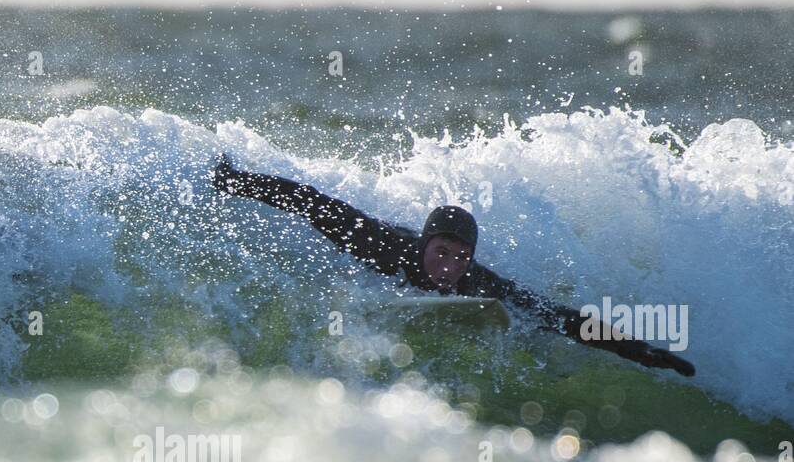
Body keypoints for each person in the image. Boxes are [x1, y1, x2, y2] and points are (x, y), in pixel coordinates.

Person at [212, 155, 695, 376]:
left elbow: (568, 320)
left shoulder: (477, 281)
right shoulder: (380, 247)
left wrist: (648, 353)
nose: (449, 267)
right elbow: (311, 202)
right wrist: (234, 182)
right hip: (377, 268)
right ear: (425, 246)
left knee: (539, 318)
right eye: (441, 253)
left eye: (460, 258)